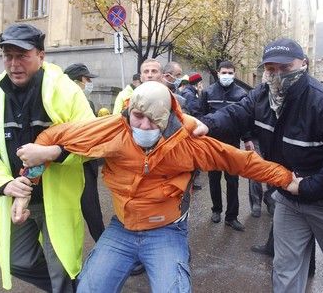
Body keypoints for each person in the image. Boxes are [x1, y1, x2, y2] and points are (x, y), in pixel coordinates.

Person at [17, 81, 297, 292]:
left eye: (154, 119)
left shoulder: (188, 143)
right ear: (130, 111)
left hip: (167, 232)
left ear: (169, 116)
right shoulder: (113, 128)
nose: (145, 124)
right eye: (139, 116)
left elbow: (242, 162)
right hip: (121, 230)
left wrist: (286, 178)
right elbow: (50, 138)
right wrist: (30, 181)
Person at [195, 38, 323, 292]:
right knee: (285, 269)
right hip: (289, 199)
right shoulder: (262, 95)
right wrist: (208, 124)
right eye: (270, 69)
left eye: (285, 68)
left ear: (304, 64)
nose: (277, 74)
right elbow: (237, 112)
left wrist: (307, 187)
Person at [0, 23, 95, 292]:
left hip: (56, 199)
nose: (14, 64)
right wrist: (4, 184)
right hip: (18, 197)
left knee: (61, 265)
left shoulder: (65, 90)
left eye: (22, 55)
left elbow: (92, 139)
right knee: (17, 260)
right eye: (8, 56)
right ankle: (79, 287)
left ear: (41, 55)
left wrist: (53, 152)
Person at [192, 61, 249, 231]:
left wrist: (247, 139)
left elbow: (245, 118)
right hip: (212, 143)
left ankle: (232, 217)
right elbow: (199, 115)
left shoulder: (241, 94)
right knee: (214, 178)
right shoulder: (208, 92)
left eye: (230, 73)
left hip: (232, 144)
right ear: (218, 73)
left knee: (233, 181)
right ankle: (216, 210)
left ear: (234, 73)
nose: (227, 76)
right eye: (224, 72)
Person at [64, 63, 105, 242]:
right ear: (76, 81)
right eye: (87, 79)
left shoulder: (57, 98)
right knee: (91, 209)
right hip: (82, 161)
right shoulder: (81, 100)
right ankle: (104, 247)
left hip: (63, 162)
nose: (89, 83)